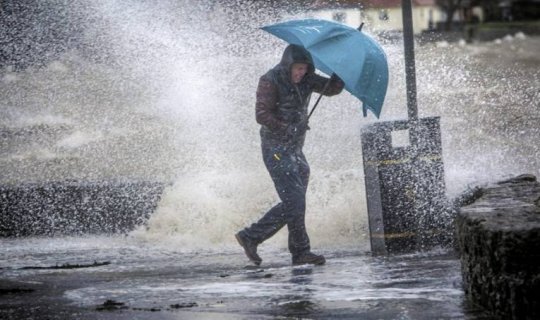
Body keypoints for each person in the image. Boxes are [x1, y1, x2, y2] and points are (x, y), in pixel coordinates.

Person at [235, 44, 344, 266]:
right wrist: (285, 127)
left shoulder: (307, 79)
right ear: (288, 65)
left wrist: (339, 74)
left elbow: (331, 89)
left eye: (305, 69)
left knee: (297, 201)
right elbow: (261, 114)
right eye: (297, 69)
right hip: (275, 149)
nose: (300, 73)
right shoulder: (270, 79)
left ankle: (300, 252)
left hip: (295, 149)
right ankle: (251, 236)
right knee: (295, 201)